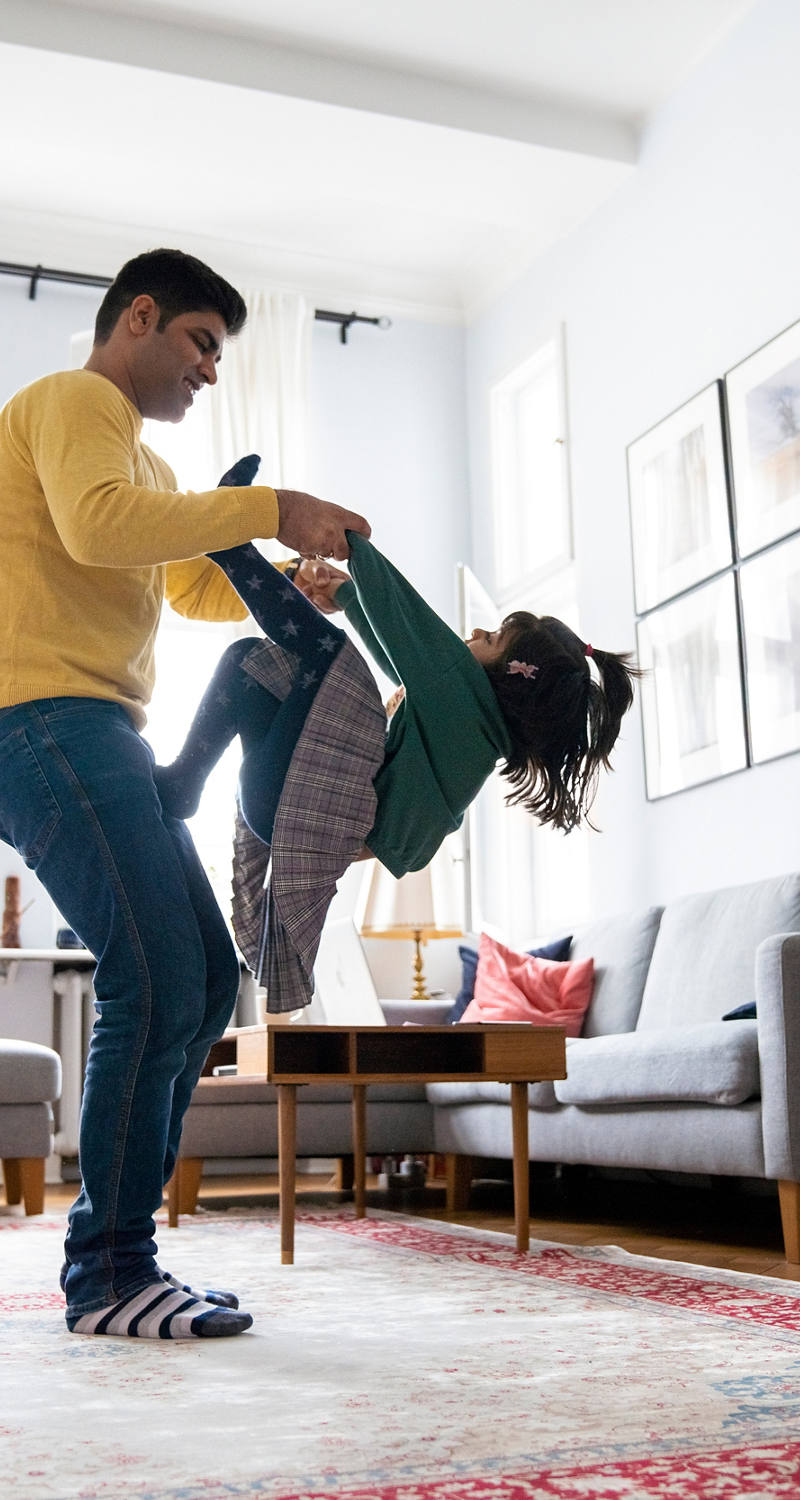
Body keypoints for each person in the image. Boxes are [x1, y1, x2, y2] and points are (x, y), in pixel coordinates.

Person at [0, 250, 370, 1339]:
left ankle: (127, 1261)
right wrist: (273, 503)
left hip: (92, 724)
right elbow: (95, 530)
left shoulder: (149, 476)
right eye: (203, 341)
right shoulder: (75, 402)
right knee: (157, 971)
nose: (210, 369)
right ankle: (108, 1275)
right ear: (141, 319)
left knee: (204, 979)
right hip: (43, 717)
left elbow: (188, 581)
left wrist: (282, 582)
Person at [155, 455, 640, 1016]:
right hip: (284, 809)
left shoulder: (461, 702)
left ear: (513, 676)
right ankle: (184, 782)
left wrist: (352, 545)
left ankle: (231, 553)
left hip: (294, 807)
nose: (480, 630)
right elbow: (403, 656)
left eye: (496, 635)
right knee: (254, 661)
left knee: (333, 663)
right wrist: (342, 594)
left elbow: (411, 628)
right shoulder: (467, 736)